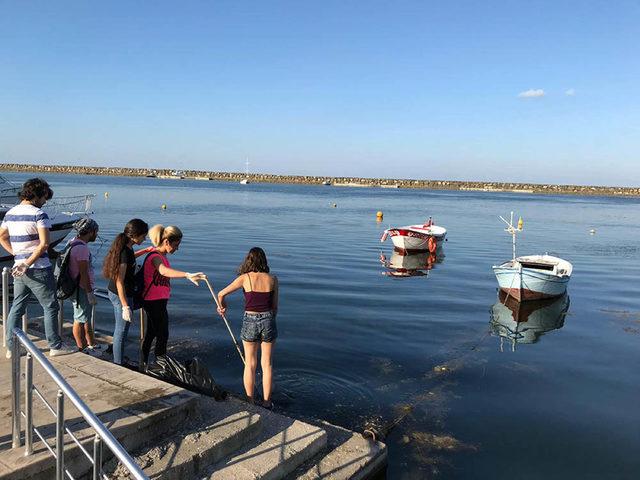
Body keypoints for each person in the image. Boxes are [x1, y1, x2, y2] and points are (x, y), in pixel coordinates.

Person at [0, 178, 75, 357]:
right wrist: (28, 261)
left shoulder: (10, 213)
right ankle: (55, 345)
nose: (45, 202)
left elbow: (2, 237)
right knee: (50, 306)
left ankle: (11, 347)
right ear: (38, 195)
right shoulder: (39, 214)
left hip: (19, 267)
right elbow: (44, 244)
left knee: (17, 306)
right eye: (44, 198)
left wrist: (18, 256)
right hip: (38, 268)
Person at [217, 247, 278, 407]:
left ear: (248, 261)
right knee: (267, 364)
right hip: (268, 319)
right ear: (264, 260)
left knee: (250, 364)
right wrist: (270, 321)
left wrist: (223, 307)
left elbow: (221, 294)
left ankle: (250, 402)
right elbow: (275, 307)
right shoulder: (273, 279)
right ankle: (267, 402)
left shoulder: (245, 278)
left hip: (250, 319)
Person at [140, 224, 204, 367]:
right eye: (176, 245)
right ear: (167, 242)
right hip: (153, 301)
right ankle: (160, 365)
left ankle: (144, 363)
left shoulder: (162, 256)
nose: (177, 248)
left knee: (152, 332)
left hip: (159, 301)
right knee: (162, 334)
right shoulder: (155, 257)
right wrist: (187, 275)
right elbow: (164, 271)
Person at [102, 218, 149, 365]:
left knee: (121, 330)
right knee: (121, 332)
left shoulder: (127, 248)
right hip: (120, 294)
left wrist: (146, 251)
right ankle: (118, 363)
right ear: (135, 235)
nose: (145, 238)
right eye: (143, 236)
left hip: (117, 292)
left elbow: (130, 259)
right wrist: (125, 306)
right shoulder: (124, 252)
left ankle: (119, 359)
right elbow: (119, 281)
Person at [66, 217, 103, 356]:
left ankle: (91, 344)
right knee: (79, 320)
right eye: (96, 232)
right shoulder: (82, 249)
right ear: (91, 232)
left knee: (83, 318)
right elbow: (83, 273)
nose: (97, 235)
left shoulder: (72, 242)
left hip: (76, 287)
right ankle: (82, 349)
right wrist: (89, 292)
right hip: (81, 288)